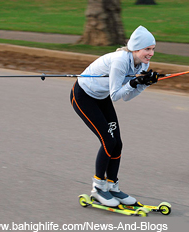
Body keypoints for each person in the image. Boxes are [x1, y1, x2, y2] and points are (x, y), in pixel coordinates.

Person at [70, 26, 159, 207]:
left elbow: (127, 97)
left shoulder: (143, 64)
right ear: (135, 48)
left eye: (153, 49)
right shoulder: (120, 60)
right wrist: (135, 81)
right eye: (147, 49)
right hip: (83, 96)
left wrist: (144, 84)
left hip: (101, 97)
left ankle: (112, 186)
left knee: (117, 143)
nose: (151, 53)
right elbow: (116, 95)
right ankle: (98, 188)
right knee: (108, 142)